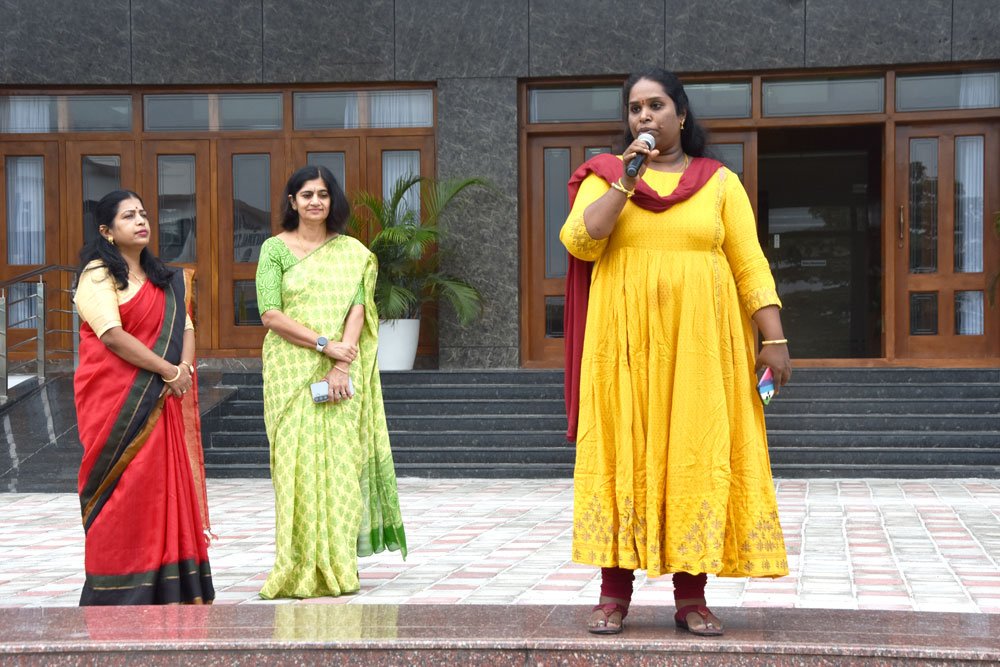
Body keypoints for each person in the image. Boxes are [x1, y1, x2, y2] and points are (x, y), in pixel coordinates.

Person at [561, 67, 792, 636]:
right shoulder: (606, 174)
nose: (644, 115)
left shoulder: (719, 182)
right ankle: (613, 595)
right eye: (635, 107)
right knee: (623, 453)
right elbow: (581, 241)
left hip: (700, 349)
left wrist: (775, 338)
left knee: (696, 454)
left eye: (656, 105)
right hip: (624, 348)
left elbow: (749, 263)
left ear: (681, 114)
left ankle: (692, 597)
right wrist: (626, 179)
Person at [255, 165, 406, 599]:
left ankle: (338, 565)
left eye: (322, 194)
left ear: (332, 199)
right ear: (292, 201)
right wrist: (324, 345)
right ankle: (296, 566)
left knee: (341, 468)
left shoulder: (352, 252)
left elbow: (358, 308)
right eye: (306, 194)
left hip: (340, 370)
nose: (315, 201)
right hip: (290, 372)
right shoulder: (274, 250)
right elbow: (270, 314)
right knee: (294, 471)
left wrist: (341, 362)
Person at [73, 190, 213, 605]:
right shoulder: (97, 275)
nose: (141, 221)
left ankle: (174, 587)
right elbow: (112, 336)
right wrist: (168, 371)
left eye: (144, 214)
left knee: (162, 489)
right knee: (126, 490)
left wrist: (183, 370)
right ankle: (118, 590)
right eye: (129, 216)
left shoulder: (165, 278)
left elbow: (186, 328)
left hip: (162, 399)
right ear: (107, 231)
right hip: (117, 402)